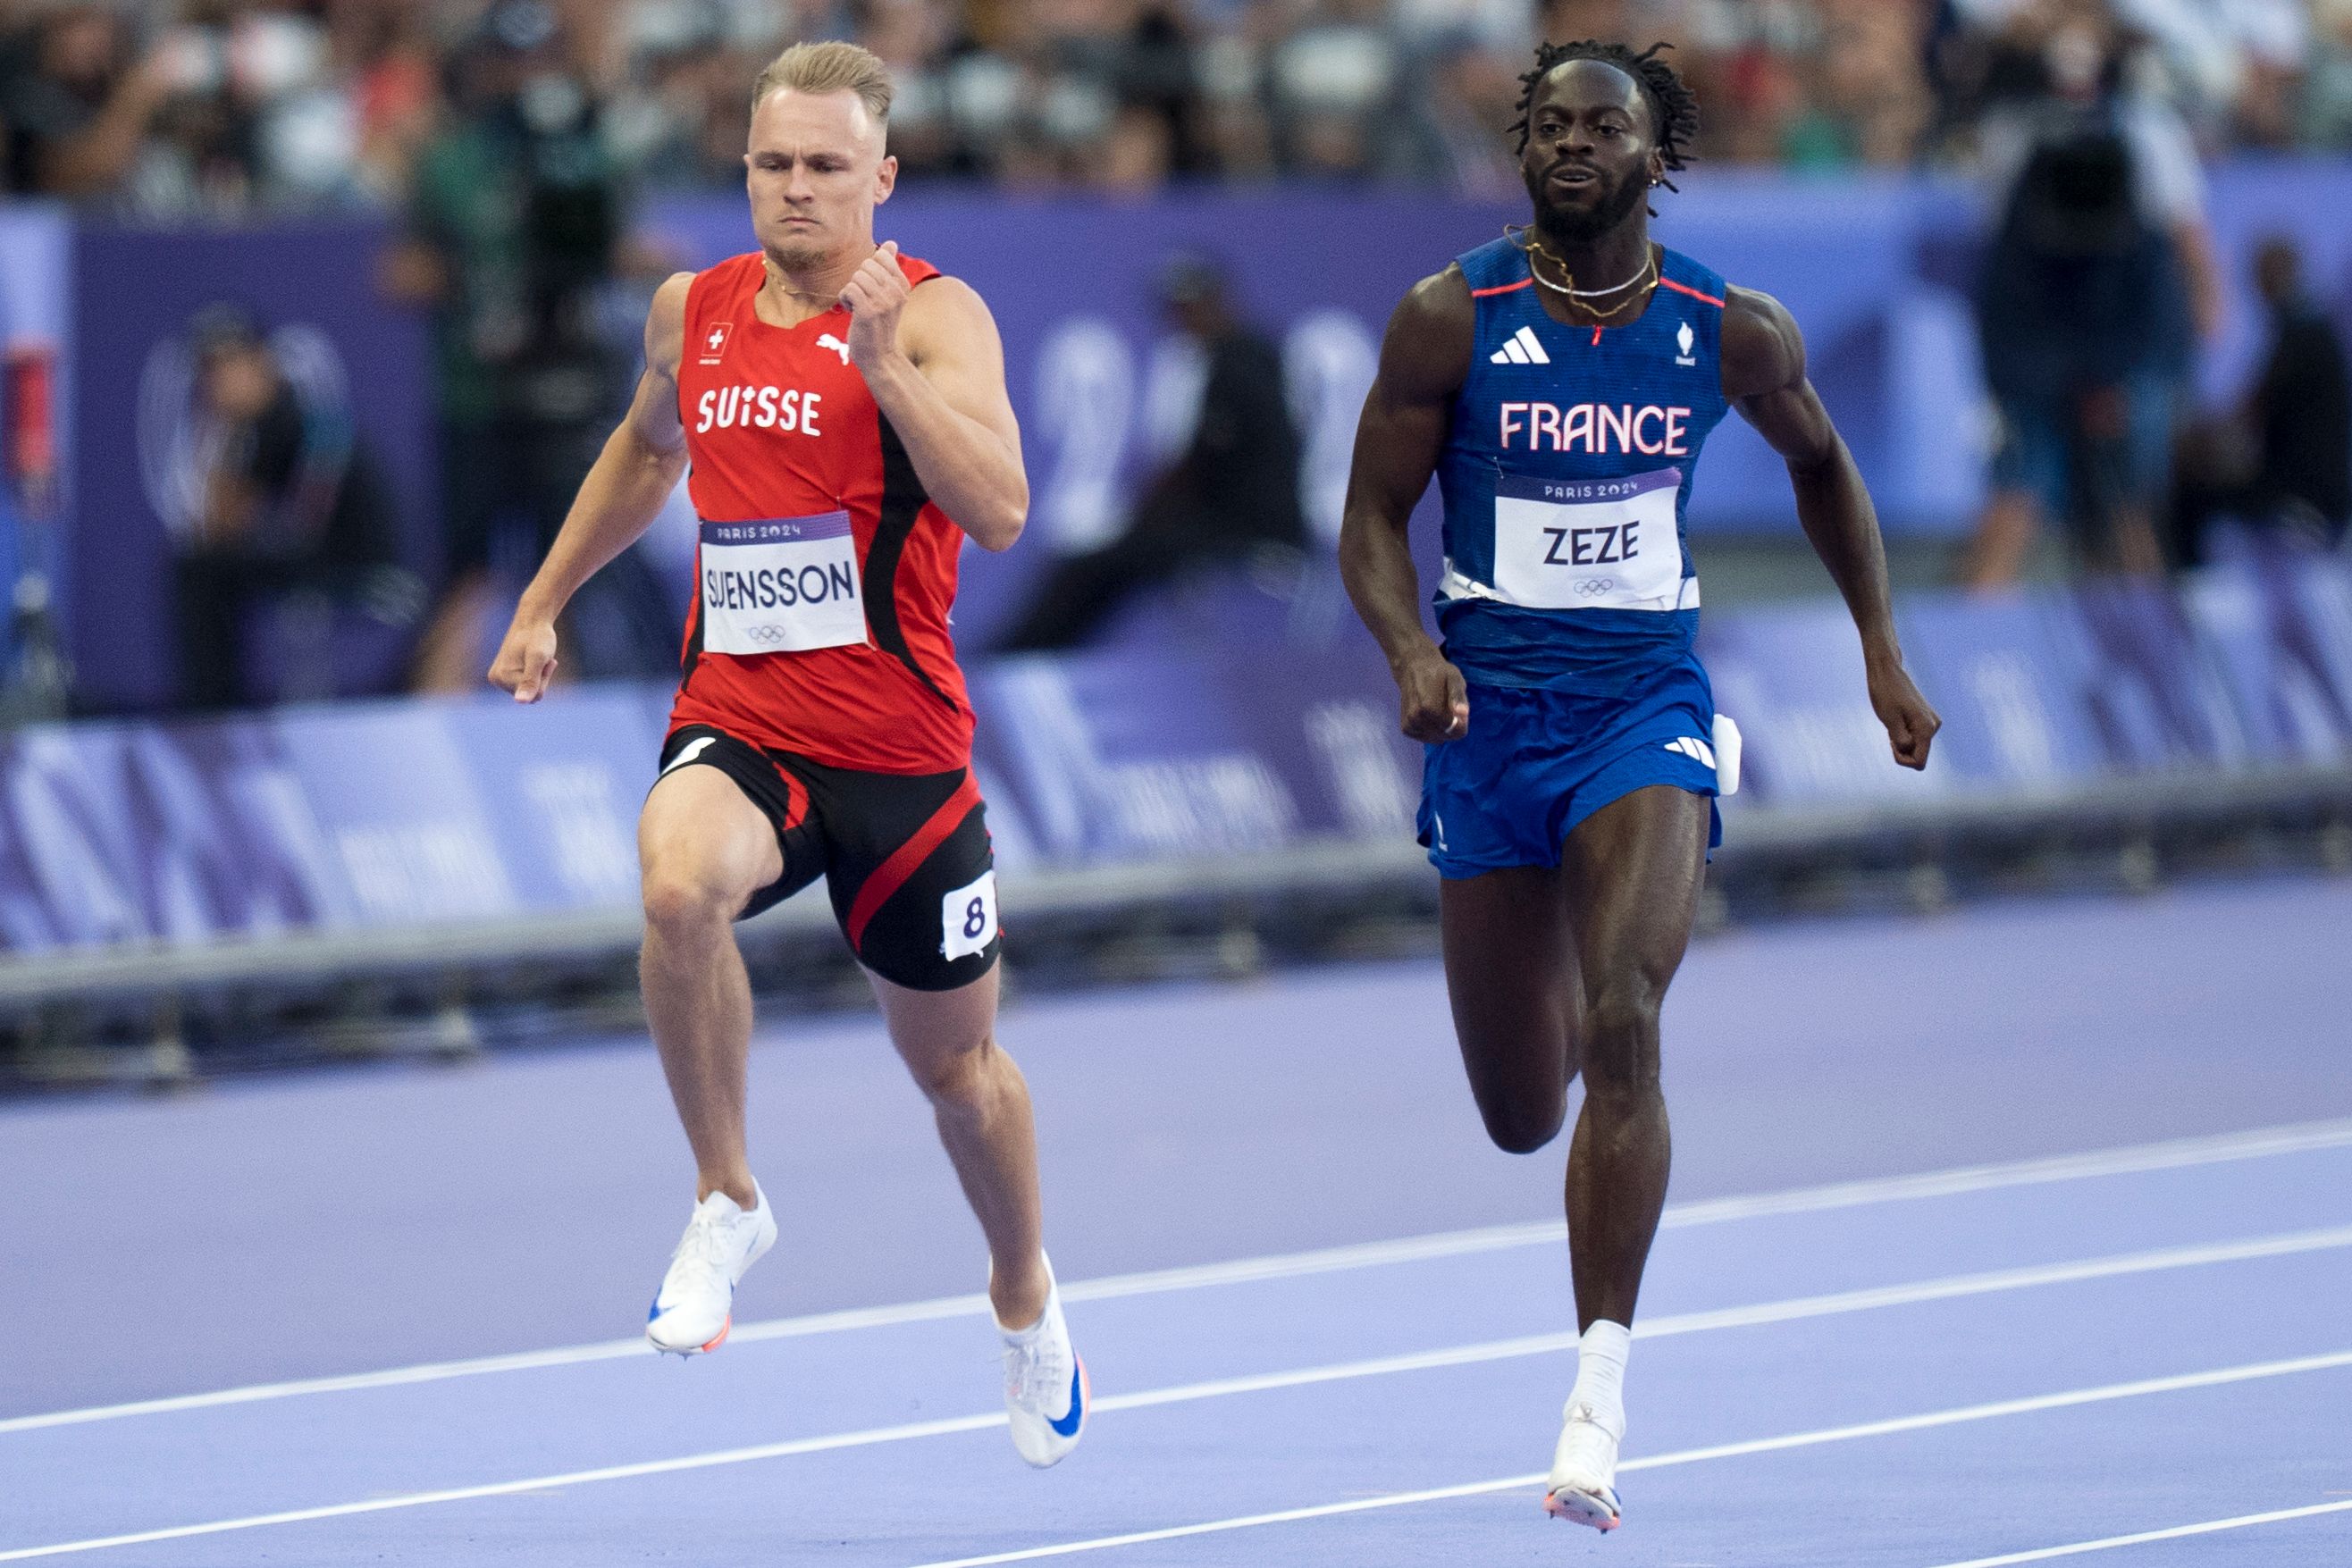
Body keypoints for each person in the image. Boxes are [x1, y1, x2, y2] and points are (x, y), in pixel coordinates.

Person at [1337, 39, 1938, 1533]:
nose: (1568, 146)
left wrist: (1878, 647)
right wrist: (1408, 647)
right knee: (1521, 1112)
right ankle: (1566, 1186)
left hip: (1640, 706)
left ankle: (1596, 1395)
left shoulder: (1725, 329)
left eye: (1599, 126)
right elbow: (1365, 514)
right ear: (1521, 148)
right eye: (1545, 126)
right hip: (1485, 720)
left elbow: (1823, 467)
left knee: (1625, 1019)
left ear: (1654, 150)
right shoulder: (1447, 320)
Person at [485, 39, 1086, 1469]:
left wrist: (886, 371)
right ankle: (727, 1194)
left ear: (883, 178)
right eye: (772, 164)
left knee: (961, 1076)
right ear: (742, 170)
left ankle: (1023, 1293)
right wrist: (541, 599)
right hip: (746, 724)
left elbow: (999, 508)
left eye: (826, 166)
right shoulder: (691, 310)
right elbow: (644, 455)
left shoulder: (938, 317)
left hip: (905, 761)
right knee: (676, 885)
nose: (797, 189)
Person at [1962, 3, 2210, 586]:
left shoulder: (2143, 135)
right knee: (2043, 498)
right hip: (2052, 348)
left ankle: (2132, 644)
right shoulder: (2015, 137)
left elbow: (2177, 242)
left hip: (2101, 345)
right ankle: (1966, 650)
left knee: (2120, 507)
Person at [995, 253, 1305, 652]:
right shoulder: (1245, 356)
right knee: (1101, 559)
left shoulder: (1240, 365)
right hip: (1229, 521)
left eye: (1190, 306)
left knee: (1097, 563)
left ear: (1217, 302)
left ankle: (1021, 653)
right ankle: (1028, 652)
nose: (1182, 319)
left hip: (1246, 529)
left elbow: (1197, 470)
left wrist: (1138, 518)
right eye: (1176, 309)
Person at [171, 306, 400, 711]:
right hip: (323, 552)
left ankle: (211, 712)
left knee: (200, 572)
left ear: (262, 361)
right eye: (211, 370)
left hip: (353, 561)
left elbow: (221, 523)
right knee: (203, 567)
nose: (219, 381)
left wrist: (222, 430)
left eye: (230, 365)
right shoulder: (268, 420)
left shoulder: (282, 419)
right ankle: (215, 708)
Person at [2169, 236, 2352, 567]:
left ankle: (2194, 597)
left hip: (2305, 495)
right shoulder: (2306, 327)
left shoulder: (2300, 335)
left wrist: (2194, 439)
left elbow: (2248, 413)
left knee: (2191, 497)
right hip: (2311, 485)